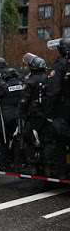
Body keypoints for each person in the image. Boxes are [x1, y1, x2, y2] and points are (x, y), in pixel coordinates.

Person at [0, 68, 23, 171]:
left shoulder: (4, 87)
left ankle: (3, 164)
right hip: (19, 117)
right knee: (18, 140)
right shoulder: (21, 85)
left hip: (6, 118)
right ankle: (17, 165)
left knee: (4, 140)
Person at [44, 38, 70, 178]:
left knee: (59, 139)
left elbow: (52, 91)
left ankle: (61, 172)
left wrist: (48, 112)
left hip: (64, 109)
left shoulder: (60, 64)